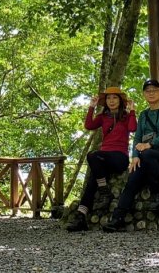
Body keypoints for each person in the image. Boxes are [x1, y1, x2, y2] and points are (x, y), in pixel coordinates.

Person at [101, 78, 159, 233]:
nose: (151, 94)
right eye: (147, 91)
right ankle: (117, 219)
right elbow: (137, 138)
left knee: (148, 154)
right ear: (144, 94)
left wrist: (149, 145)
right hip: (145, 157)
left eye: (154, 90)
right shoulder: (143, 115)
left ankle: (156, 193)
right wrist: (135, 156)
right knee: (132, 179)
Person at [66, 86, 137, 232]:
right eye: (108, 98)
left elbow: (133, 127)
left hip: (120, 157)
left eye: (114, 98)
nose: (111, 101)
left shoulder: (125, 116)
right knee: (93, 178)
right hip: (103, 159)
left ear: (120, 100)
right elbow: (89, 125)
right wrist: (91, 107)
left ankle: (105, 192)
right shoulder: (103, 117)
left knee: (92, 155)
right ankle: (81, 217)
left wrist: (132, 111)